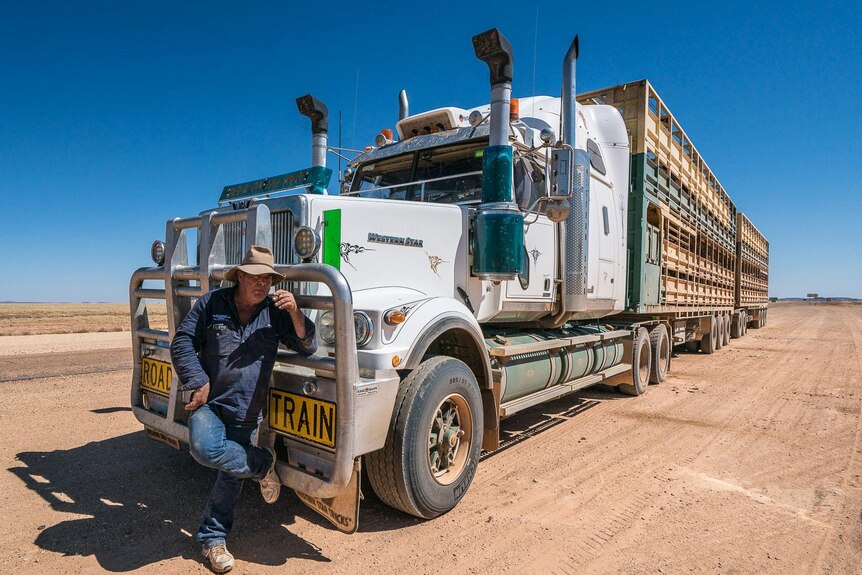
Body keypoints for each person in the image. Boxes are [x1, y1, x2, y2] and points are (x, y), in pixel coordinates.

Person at [170, 245, 316, 573]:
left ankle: (213, 539)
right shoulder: (213, 303)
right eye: (255, 276)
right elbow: (181, 342)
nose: (262, 283)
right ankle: (263, 464)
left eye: (268, 278)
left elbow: (309, 346)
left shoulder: (275, 313)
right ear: (239, 277)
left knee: (231, 475)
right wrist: (197, 380)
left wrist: (295, 312)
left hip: (247, 412)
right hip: (211, 404)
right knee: (204, 448)